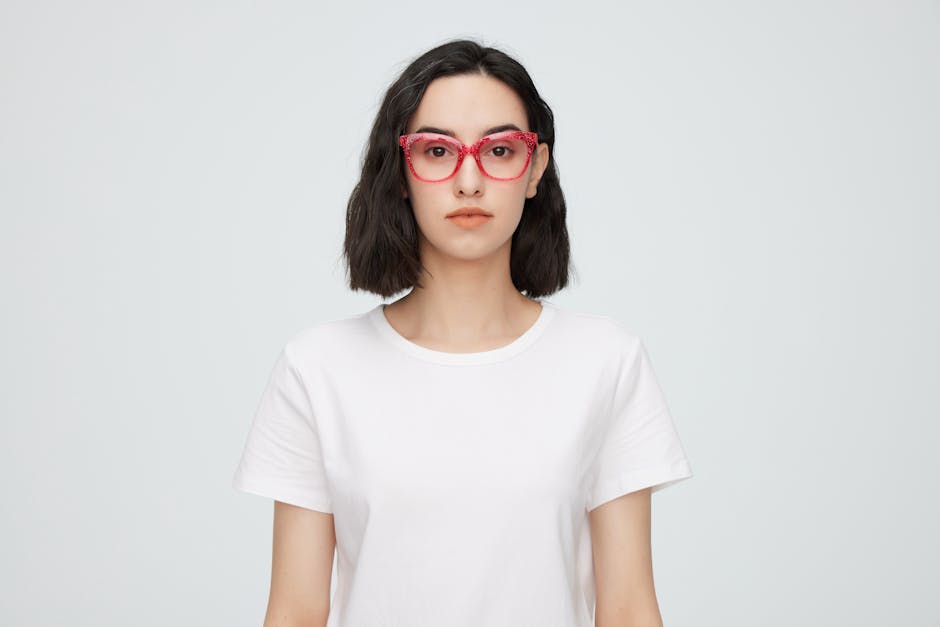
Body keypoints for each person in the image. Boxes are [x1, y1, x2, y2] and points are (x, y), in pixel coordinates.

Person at [233, 38, 693, 627]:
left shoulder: (607, 362)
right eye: (436, 151)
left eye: (500, 150)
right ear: (400, 172)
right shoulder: (317, 368)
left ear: (534, 171)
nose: (469, 181)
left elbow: (629, 609)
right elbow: (295, 612)